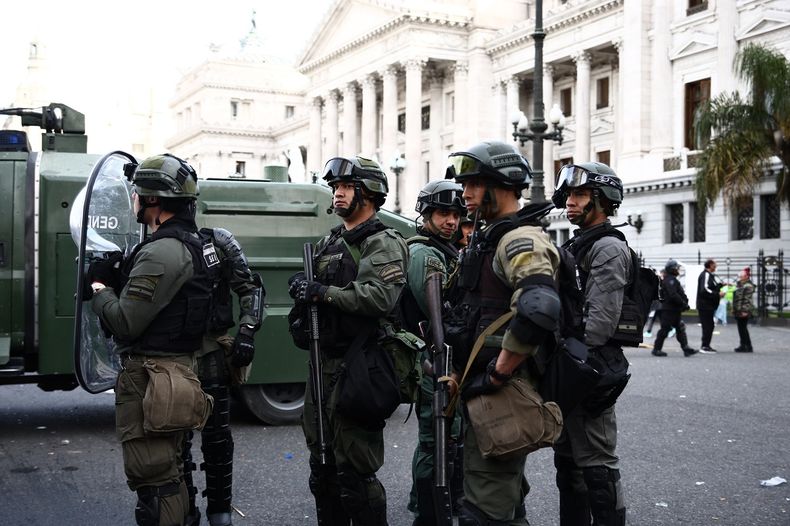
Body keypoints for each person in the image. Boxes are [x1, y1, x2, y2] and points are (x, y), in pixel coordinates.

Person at [88, 154, 215, 526]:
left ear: (154, 199)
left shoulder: (163, 250)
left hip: (154, 378)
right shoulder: (188, 243)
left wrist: (100, 288)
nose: (134, 199)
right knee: (169, 472)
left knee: (155, 483)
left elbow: (126, 322)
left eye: (137, 192)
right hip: (174, 373)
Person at [288, 155, 409, 525]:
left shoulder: (382, 241)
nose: (337, 194)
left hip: (359, 365)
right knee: (321, 468)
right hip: (323, 364)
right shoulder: (330, 241)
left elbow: (379, 297)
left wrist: (322, 292)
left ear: (368, 194)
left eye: (346, 188)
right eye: (336, 188)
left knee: (355, 474)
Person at [446, 140, 560, 525]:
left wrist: (499, 371)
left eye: (475, 183)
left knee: (486, 507)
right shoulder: (487, 237)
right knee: (502, 500)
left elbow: (539, 307)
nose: (465, 193)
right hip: (479, 381)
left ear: (504, 184)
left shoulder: (517, 239)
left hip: (500, 387)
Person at [550, 162, 632, 525]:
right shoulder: (578, 242)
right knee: (568, 464)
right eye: (568, 194)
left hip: (589, 369)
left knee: (597, 468)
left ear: (602, 200)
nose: (570, 201)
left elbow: (598, 325)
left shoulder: (608, 247)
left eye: (580, 194)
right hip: (570, 366)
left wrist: (569, 369)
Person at [183, 228, 265, 526]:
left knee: (217, 441)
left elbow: (251, 288)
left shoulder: (216, 241)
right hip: (170, 359)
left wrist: (247, 331)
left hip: (210, 355)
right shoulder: (151, 243)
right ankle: (183, 511)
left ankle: (220, 514)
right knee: (173, 443)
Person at [402, 180, 466, 525]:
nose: (451, 221)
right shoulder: (426, 255)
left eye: (456, 214)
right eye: (443, 213)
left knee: (451, 437)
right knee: (435, 440)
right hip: (433, 360)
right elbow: (438, 313)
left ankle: (446, 506)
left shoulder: (445, 251)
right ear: (426, 214)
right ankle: (426, 512)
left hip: (445, 358)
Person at [652, 259, 698, 357]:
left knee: (680, 328)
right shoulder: (670, 280)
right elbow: (673, 295)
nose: (678, 270)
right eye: (676, 268)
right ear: (672, 269)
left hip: (673, 309)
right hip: (669, 310)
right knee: (665, 329)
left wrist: (684, 303)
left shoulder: (671, 279)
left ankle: (686, 348)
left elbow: (678, 293)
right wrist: (683, 304)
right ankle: (656, 349)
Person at [697, 259, 724, 353]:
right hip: (705, 305)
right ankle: (704, 346)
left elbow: (710, 287)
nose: (716, 266)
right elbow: (704, 289)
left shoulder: (709, 275)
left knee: (709, 325)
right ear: (710, 265)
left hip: (708, 305)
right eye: (714, 264)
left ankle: (706, 345)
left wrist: (720, 285)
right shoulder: (706, 274)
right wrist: (717, 294)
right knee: (708, 325)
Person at [732, 267, 755, 353]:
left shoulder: (747, 286)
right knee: (742, 328)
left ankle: (746, 346)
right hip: (740, 309)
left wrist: (743, 311)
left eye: (741, 277)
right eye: (739, 276)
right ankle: (745, 345)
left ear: (746, 277)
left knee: (743, 328)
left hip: (743, 309)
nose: (740, 278)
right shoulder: (742, 284)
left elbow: (742, 299)